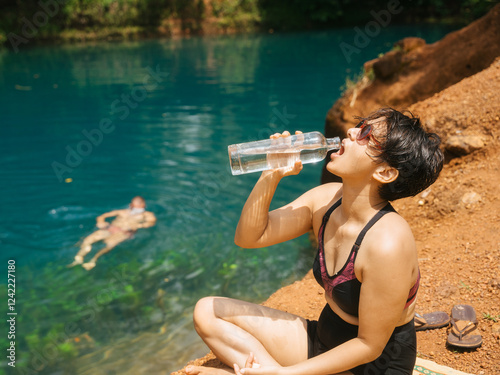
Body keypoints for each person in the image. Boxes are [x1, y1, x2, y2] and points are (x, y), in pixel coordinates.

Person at [185, 108, 444, 375]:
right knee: (208, 312)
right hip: (323, 339)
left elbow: (369, 345)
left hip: (370, 366)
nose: (352, 132)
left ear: (386, 173)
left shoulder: (387, 244)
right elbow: (250, 237)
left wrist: (285, 373)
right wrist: (271, 173)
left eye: (367, 134)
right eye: (361, 125)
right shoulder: (326, 200)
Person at [68, 196, 156, 270]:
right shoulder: (122, 212)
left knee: (109, 245)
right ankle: (79, 257)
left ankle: (93, 260)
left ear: (143, 205)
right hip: (110, 228)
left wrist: (137, 226)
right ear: (131, 205)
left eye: (138, 206)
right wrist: (101, 222)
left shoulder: (147, 215)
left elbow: (151, 223)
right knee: (89, 239)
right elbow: (102, 216)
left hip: (123, 233)